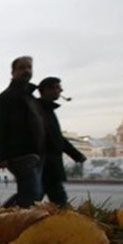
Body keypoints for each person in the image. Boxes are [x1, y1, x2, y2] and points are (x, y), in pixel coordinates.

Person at [0, 56, 46, 208]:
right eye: (22, 68)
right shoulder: (5, 98)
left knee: (35, 193)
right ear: (13, 72)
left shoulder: (31, 98)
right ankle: (2, 217)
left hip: (36, 153)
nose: (26, 71)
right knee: (32, 193)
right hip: (19, 154)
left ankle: (2, 215)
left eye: (29, 67)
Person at [37, 77, 87, 206]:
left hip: (46, 163)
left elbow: (57, 137)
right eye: (58, 87)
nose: (61, 90)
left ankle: (4, 215)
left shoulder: (45, 109)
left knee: (34, 196)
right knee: (54, 197)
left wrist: (76, 154)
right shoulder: (40, 110)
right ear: (47, 89)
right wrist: (76, 155)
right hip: (46, 162)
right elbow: (55, 138)